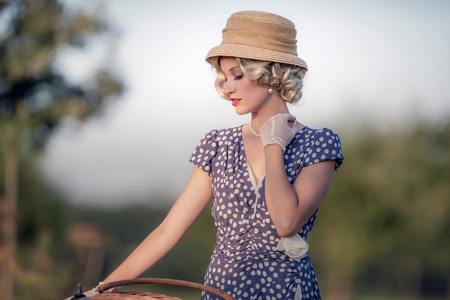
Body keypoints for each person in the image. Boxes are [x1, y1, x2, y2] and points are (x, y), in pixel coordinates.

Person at [78, 10, 343, 300]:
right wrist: (99, 290)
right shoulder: (218, 145)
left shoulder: (317, 144)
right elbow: (168, 230)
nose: (227, 87)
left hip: (287, 293)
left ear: (270, 75)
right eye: (224, 75)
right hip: (220, 291)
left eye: (237, 75)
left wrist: (274, 143)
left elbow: (286, 223)